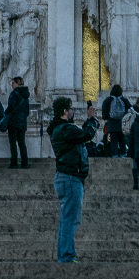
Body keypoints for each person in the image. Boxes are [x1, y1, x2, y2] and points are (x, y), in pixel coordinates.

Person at [48, 97, 95, 263]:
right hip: (70, 177)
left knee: (70, 218)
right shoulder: (64, 128)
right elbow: (87, 134)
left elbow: (79, 136)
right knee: (70, 218)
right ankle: (66, 256)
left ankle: (67, 254)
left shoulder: (62, 129)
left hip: (69, 176)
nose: (74, 111)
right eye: (71, 108)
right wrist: (91, 119)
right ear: (64, 112)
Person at [3, 76, 32, 169]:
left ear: (17, 83)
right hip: (22, 121)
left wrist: (5, 114)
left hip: (13, 121)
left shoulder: (14, 93)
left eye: (13, 83)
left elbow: (11, 107)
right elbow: (27, 110)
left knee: (12, 142)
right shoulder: (26, 95)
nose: (12, 85)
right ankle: (25, 162)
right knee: (21, 142)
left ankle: (14, 163)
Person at [102, 84, 131, 157]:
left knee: (113, 141)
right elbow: (130, 110)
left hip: (112, 124)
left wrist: (107, 117)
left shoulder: (108, 100)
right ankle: (123, 154)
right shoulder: (124, 100)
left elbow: (104, 113)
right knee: (122, 140)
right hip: (122, 124)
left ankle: (115, 155)